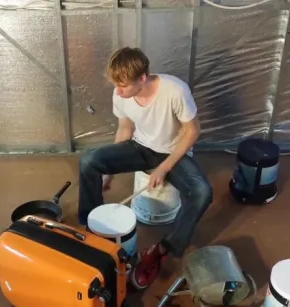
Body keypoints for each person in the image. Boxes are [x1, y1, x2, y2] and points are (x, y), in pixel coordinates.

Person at [77, 47, 213, 289]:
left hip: (173, 153)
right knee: (89, 160)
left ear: (142, 78)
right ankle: (91, 226)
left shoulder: (175, 90)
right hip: (140, 147)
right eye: (115, 85)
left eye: (123, 86)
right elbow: (125, 129)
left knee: (202, 192)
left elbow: (193, 132)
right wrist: (108, 172)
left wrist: (163, 168)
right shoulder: (121, 94)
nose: (118, 91)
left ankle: (163, 249)